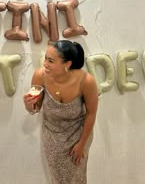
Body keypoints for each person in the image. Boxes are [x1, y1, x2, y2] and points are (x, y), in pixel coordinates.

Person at [23, 40, 98, 184]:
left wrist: (82, 144)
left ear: (67, 64)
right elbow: (36, 108)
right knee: (57, 178)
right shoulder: (40, 75)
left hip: (78, 134)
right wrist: (29, 106)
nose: (45, 64)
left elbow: (91, 113)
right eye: (45, 58)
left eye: (51, 61)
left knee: (76, 178)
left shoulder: (86, 81)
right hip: (51, 135)